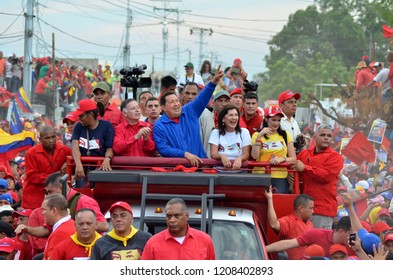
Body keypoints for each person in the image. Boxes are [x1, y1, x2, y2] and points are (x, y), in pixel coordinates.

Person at [153, 66, 223, 166]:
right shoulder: (159, 125)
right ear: (163, 107)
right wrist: (185, 154)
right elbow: (163, 149)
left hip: (200, 167)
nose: (176, 104)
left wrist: (214, 82)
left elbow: (201, 98)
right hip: (177, 171)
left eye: (177, 100)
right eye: (172, 102)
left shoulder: (189, 110)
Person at [291, 124, 344, 229]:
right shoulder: (304, 154)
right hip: (302, 209)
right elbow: (294, 167)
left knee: (319, 243)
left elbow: (325, 175)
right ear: (315, 136)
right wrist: (290, 175)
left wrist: (305, 168)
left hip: (322, 210)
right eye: (323, 135)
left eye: (329, 136)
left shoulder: (335, 157)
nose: (326, 138)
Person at [141, 198, 215, 260]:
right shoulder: (153, 243)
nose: (172, 220)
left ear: (186, 216)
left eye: (177, 216)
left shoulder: (205, 240)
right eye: (169, 216)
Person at [22, 126, 72, 209]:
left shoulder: (65, 150)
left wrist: (68, 165)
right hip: (35, 198)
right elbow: (32, 176)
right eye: (47, 138)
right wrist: (55, 177)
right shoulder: (31, 153)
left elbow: (74, 165)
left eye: (53, 137)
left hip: (57, 197)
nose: (51, 140)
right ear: (40, 139)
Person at [251, 105, 297, 194]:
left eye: (279, 120)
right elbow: (254, 156)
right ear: (266, 119)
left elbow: (293, 158)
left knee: (278, 204)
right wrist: (260, 136)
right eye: (273, 120)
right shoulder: (257, 134)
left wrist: (282, 159)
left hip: (280, 176)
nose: (276, 123)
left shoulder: (285, 135)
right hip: (260, 175)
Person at [44, 171, 108, 232]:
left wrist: (76, 226)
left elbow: (104, 226)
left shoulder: (84, 201)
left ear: (61, 187)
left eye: (50, 192)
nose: (48, 195)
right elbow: (48, 229)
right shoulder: (56, 204)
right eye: (47, 192)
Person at [265, 187, 314, 260]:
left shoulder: (310, 224)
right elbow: (273, 224)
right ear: (301, 209)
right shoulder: (289, 221)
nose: (313, 211)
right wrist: (270, 199)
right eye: (310, 208)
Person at [71, 99, 114, 182]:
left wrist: (107, 159)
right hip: (83, 172)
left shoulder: (107, 126)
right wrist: (78, 164)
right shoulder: (78, 127)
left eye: (81, 116)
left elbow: (110, 148)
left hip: (100, 171)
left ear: (90, 114)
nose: (79, 119)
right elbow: (75, 146)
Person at [209, 105, 251, 170]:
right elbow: (213, 154)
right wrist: (222, 156)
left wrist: (240, 159)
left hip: (239, 170)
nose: (234, 118)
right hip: (219, 170)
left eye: (236, 115)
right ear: (223, 119)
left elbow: (246, 154)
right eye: (231, 115)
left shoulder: (244, 132)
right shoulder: (215, 132)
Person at [179, 82, 214, 157]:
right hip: (181, 158)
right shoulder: (176, 112)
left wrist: (206, 161)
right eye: (187, 93)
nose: (190, 97)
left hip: (200, 160)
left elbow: (208, 139)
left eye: (194, 94)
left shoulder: (206, 113)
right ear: (182, 95)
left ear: (198, 96)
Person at [42, 193, 76, 260]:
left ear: (54, 211)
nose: (42, 213)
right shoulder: (71, 223)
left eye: (45, 210)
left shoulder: (61, 233)